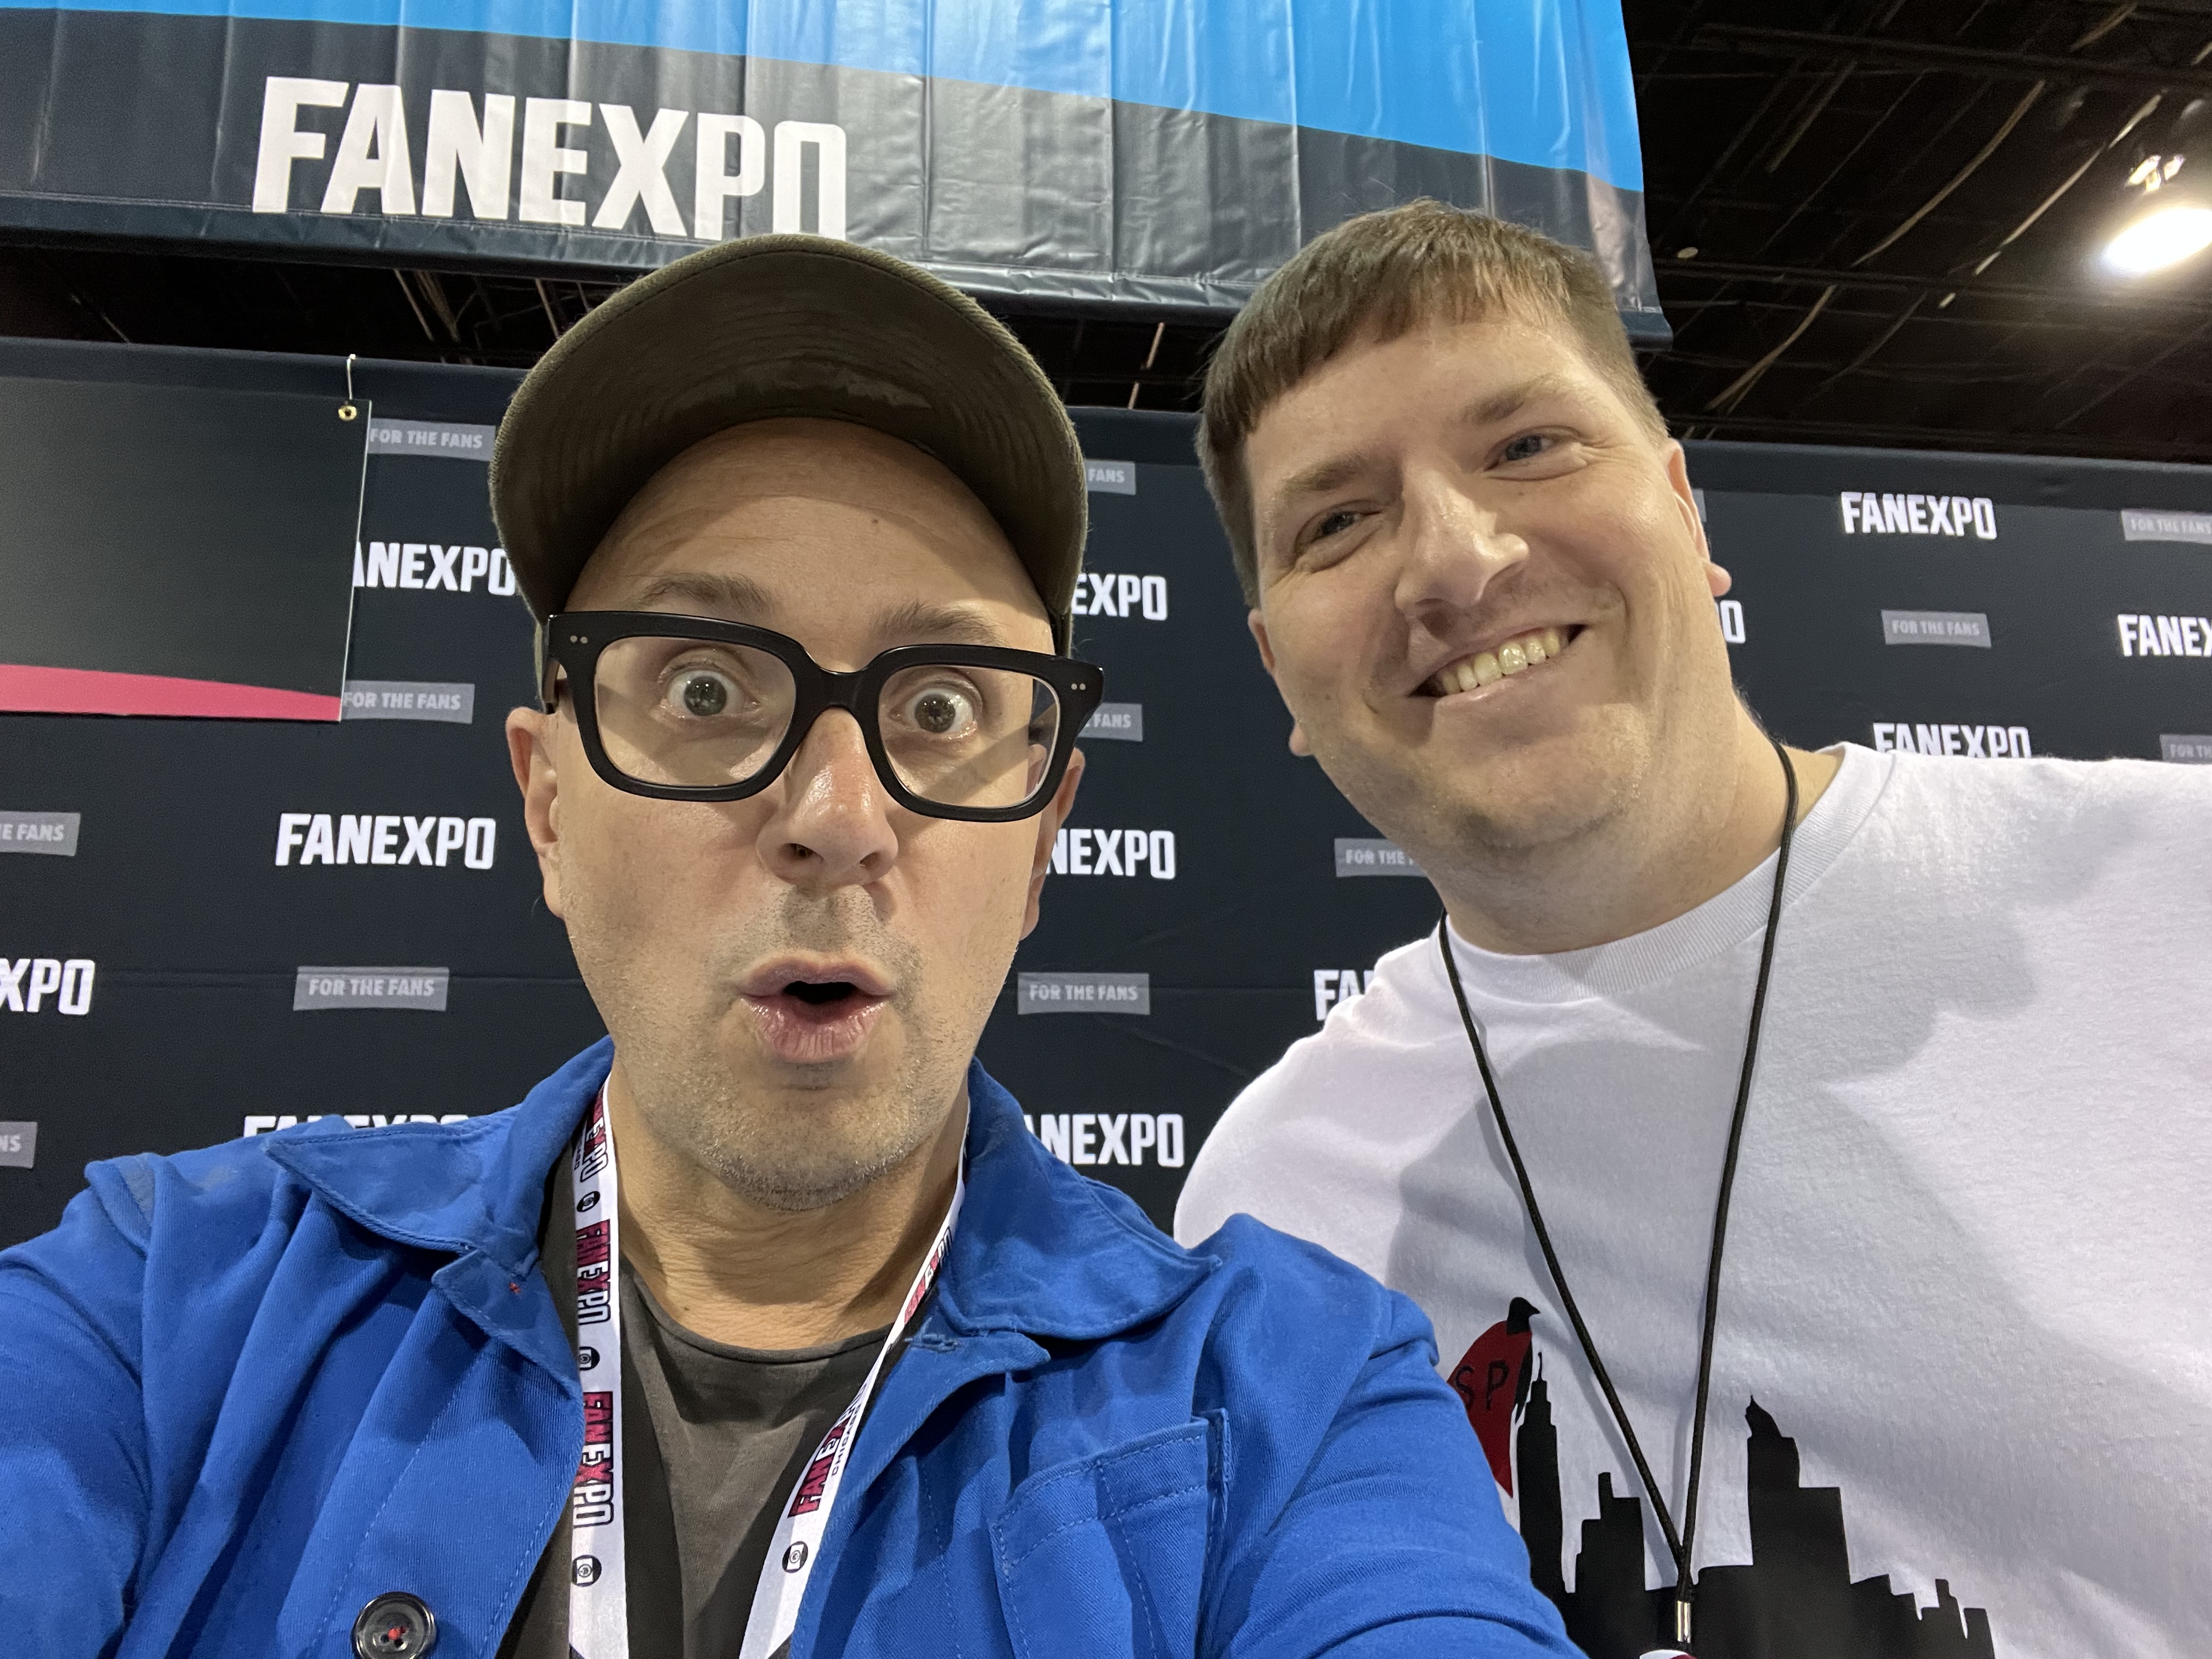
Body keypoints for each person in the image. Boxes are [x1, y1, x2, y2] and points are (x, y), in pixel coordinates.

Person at [0, 235, 1580, 1659]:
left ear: (1043, 839)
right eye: (704, 689)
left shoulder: (1292, 1403)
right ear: (547, 805)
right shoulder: (169, 1304)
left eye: (941, 703)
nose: (836, 816)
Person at [1174, 200, 2212, 1659]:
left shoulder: (2175, 894)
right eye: (1338, 522)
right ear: (1280, 671)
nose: (1455, 561)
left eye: (1528, 445)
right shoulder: (1275, 1200)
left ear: (1685, 509)